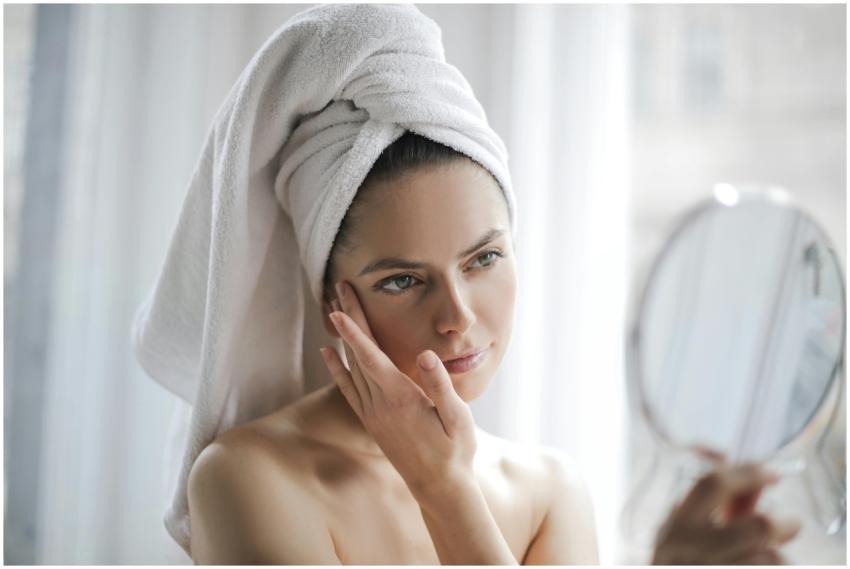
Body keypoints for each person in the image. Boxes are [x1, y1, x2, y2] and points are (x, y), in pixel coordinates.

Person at [185, 132, 801, 564]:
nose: (458, 317)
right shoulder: (247, 478)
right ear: (334, 305)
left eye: (483, 259)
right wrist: (442, 489)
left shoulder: (549, 492)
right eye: (402, 280)